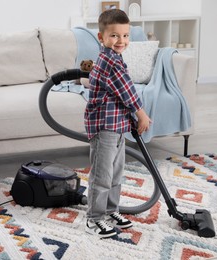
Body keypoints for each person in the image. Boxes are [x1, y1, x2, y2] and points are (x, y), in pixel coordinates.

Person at [84, 9, 152, 238]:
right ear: (101, 37)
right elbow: (128, 92)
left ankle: (111, 211)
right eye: (114, 35)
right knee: (102, 176)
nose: (121, 41)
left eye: (125, 35)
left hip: (118, 126)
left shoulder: (115, 58)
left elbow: (120, 96)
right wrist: (141, 114)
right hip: (105, 128)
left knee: (115, 173)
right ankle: (94, 219)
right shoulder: (109, 62)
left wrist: (131, 117)